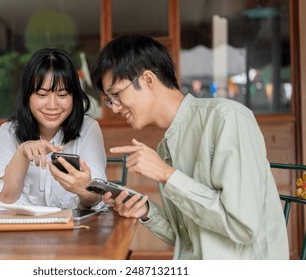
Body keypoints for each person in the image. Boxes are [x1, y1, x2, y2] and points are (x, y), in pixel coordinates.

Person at [90, 34, 289, 259]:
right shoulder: (167, 145)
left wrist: (167, 174)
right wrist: (145, 211)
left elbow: (242, 226)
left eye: (116, 94)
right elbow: (189, 239)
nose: (114, 108)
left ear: (147, 79)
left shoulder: (227, 118)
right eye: (109, 99)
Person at [0, 48, 106, 212]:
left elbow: (98, 197)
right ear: (27, 96)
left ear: (74, 97)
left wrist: (82, 189)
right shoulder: (8, 132)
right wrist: (22, 153)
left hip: (74, 233)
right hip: (21, 234)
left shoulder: (88, 128)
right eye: (42, 95)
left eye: (62, 95)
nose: (52, 106)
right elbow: (4, 200)